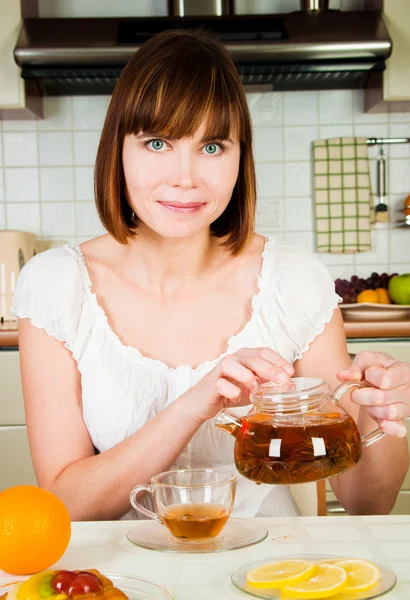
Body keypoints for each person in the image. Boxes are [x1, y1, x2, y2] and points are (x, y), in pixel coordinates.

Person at [13, 29, 409, 522]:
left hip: (271, 574)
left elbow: (368, 503)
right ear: (118, 149)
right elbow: (66, 506)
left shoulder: (294, 281)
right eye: (157, 142)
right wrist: (192, 406)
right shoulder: (55, 286)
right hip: (122, 585)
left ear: (241, 157)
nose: (185, 177)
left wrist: (380, 412)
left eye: (213, 147)